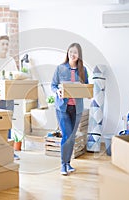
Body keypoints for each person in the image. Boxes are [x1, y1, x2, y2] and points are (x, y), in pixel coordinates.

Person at [51, 43, 89, 175]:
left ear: (79, 55)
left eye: (75, 52)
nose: (72, 54)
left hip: (77, 108)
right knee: (67, 135)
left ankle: (68, 163)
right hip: (62, 107)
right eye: (70, 52)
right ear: (67, 53)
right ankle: (63, 164)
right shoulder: (60, 68)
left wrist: (87, 91)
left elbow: (86, 87)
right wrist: (58, 92)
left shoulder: (83, 70)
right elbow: (53, 85)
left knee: (72, 136)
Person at [0, 35, 20, 160]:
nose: (5, 46)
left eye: (7, 44)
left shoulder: (11, 61)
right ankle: (0, 151)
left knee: (8, 124)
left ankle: (10, 151)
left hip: (10, 96)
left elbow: (15, 76)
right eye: (2, 44)